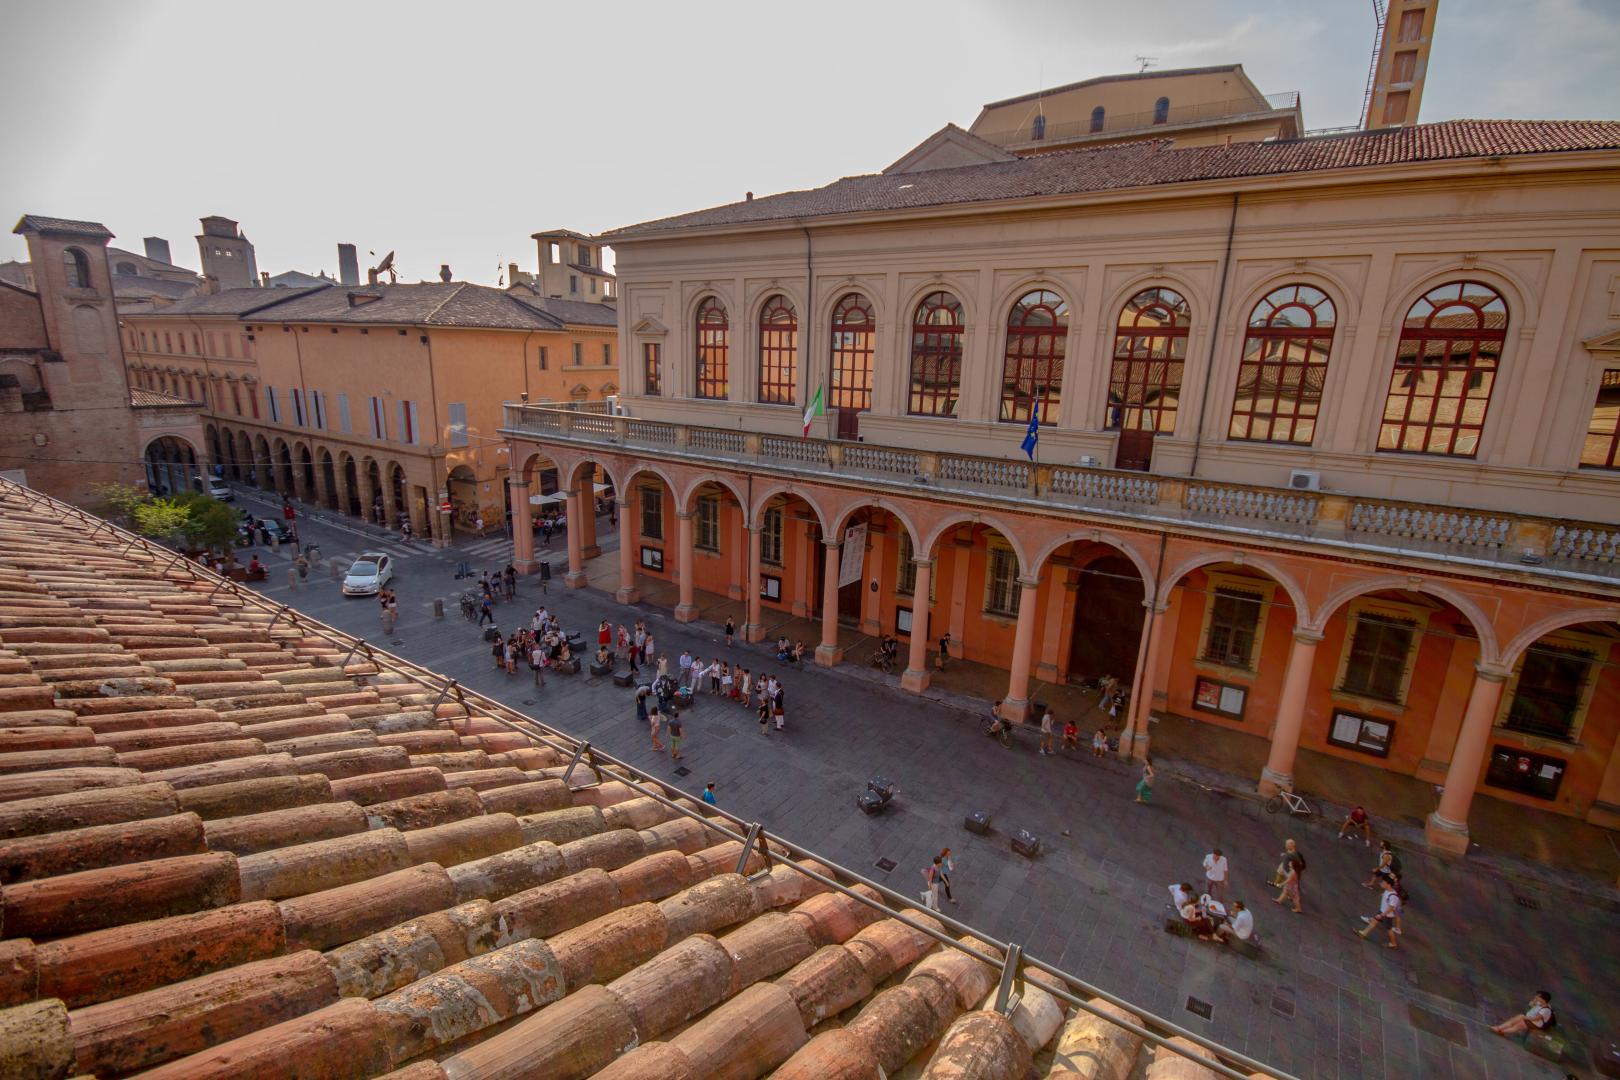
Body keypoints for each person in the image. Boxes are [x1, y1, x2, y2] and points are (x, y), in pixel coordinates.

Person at [1357, 878, 1402, 949]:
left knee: (1389, 929)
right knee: (1374, 922)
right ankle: (1363, 933)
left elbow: (1391, 908)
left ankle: (1393, 944)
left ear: (1388, 884)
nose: (1381, 883)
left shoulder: (1393, 896)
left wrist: (1382, 915)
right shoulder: (1387, 891)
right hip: (1382, 911)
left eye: (1384, 882)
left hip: (1387, 915)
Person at [1271, 839, 1304, 914]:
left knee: (1295, 898)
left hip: (1291, 886)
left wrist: (1282, 884)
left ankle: (1299, 909)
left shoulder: (1292, 872)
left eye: (1290, 864)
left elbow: (1289, 880)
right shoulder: (1292, 870)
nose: (1289, 864)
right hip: (1289, 886)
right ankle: (1279, 900)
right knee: (1285, 892)